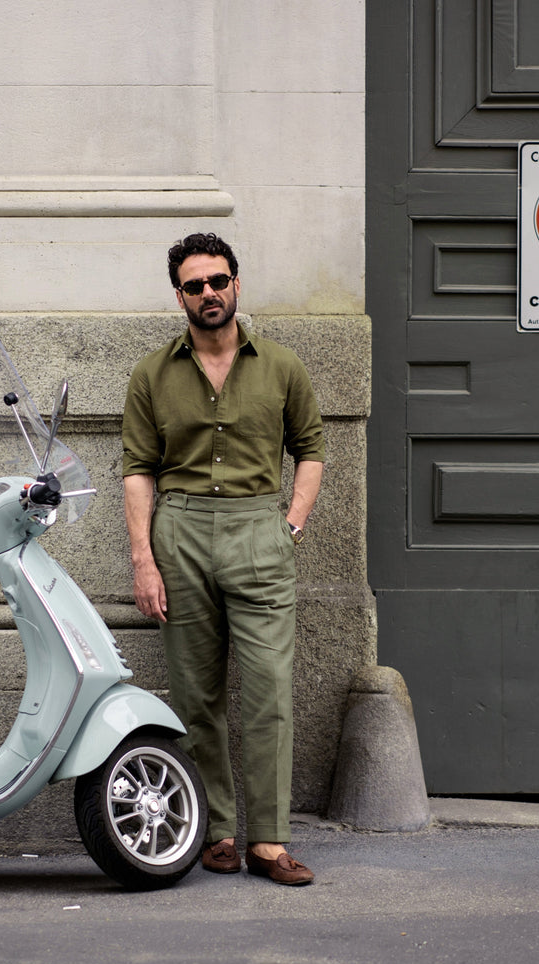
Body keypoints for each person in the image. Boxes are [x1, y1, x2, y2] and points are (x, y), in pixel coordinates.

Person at [121, 233, 324, 885]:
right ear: (177, 294)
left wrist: (289, 523)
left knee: (268, 692)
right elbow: (137, 470)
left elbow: (312, 449)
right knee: (195, 693)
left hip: (258, 533)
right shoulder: (153, 373)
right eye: (193, 285)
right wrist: (143, 561)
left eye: (217, 281)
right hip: (178, 533)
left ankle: (268, 841)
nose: (208, 293)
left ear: (236, 284)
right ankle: (218, 830)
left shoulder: (282, 367)